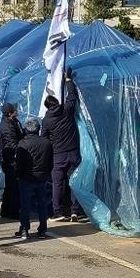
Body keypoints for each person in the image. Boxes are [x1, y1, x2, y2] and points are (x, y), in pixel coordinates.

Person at [43, 67, 85, 222]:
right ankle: (75, 211)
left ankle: (58, 211)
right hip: (73, 152)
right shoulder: (67, 110)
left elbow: (44, 138)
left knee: (57, 184)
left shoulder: (47, 120)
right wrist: (68, 81)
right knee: (74, 181)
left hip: (58, 155)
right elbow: (72, 96)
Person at [15, 117, 54, 239]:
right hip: (41, 177)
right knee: (42, 204)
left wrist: (18, 175)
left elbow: (19, 163)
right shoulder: (46, 143)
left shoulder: (23, 143)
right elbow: (50, 162)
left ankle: (24, 228)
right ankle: (42, 229)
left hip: (26, 178)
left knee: (25, 205)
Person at [0, 103, 24, 219]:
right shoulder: (7, 127)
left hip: (9, 159)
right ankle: (12, 211)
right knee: (13, 186)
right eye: (15, 110)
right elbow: (12, 144)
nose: (17, 111)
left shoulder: (12, 122)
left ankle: (6, 210)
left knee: (10, 185)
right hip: (10, 159)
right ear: (10, 113)